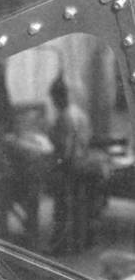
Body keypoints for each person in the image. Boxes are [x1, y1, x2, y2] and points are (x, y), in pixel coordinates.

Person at [48, 72, 93, 253]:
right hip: (83, 163)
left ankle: (61, 245)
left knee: (62, 207)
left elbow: (66, 151)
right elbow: (87, 139)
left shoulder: (64, 117)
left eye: (54, 99)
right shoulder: (79, 113)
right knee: (79, 206)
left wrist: (55, 165)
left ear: (59, 97)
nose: (54, 103)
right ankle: (80, 242)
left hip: (70, 167)